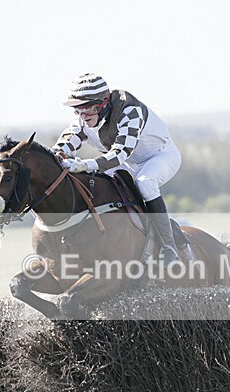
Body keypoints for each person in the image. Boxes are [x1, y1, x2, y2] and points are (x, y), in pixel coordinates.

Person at [51, 73, 182, 264]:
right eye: (78, 111)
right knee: (98, 183)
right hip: (127, 163)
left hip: (160, 156)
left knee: (145, 183)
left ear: (103, 104)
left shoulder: (130, 111)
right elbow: (63, 147)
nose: (83, 117)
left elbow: (120, 154)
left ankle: (169, 247)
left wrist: (84, 164)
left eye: (89, 110)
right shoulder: (82, 119)